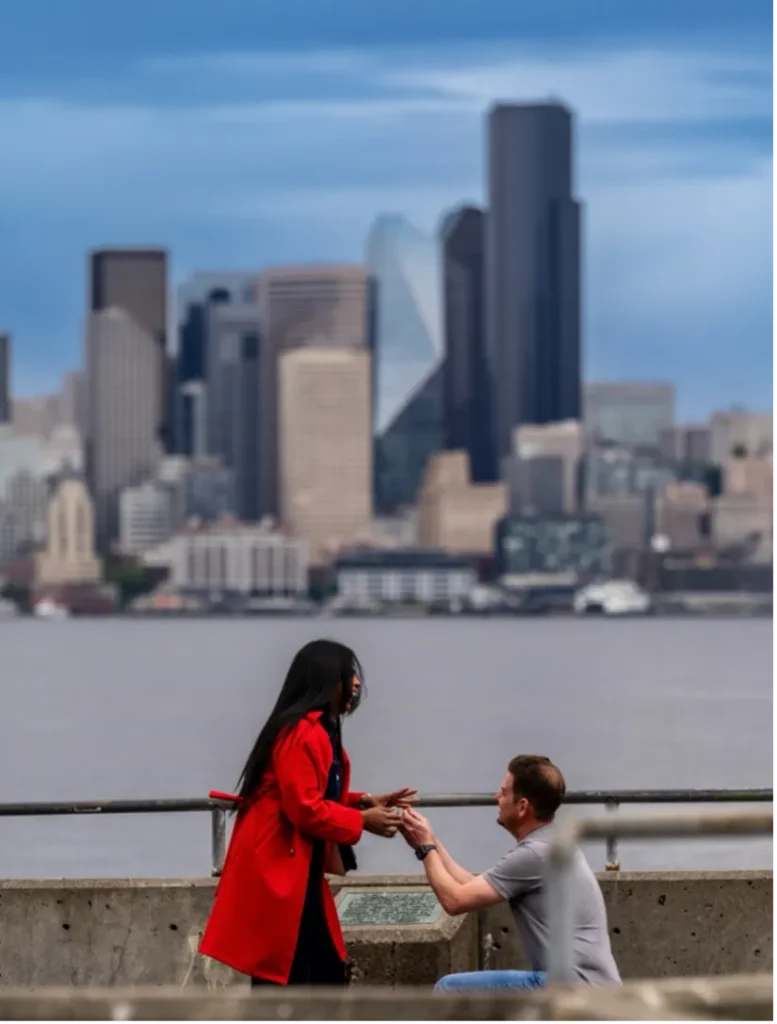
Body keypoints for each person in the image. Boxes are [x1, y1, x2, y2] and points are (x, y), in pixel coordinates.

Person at [199, 639, 416, 986]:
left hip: (297, 873)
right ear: (329, 679)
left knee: (308, 973)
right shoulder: (301, 733)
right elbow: (303, 808)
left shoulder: (314, 730)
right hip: (281, 872)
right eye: (351, 673)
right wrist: (362, 820)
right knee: (295, 977)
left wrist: (363, 802)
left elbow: (314, 795)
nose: (358, 683)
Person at [400, 755, 621, 991]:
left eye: (503, 792)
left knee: (449, 989)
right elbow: (470, 886)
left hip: (573, 988)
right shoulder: (551, 844)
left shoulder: (536, 854)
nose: (497, 798)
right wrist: (428, 840)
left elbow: (454, 900)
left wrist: (425, 849)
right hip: (590, 986)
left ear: (523, 806)